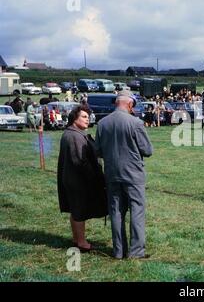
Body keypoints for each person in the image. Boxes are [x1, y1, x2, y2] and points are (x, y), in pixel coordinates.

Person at [95, 90, 153, 259]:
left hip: (112, 173)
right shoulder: (135, 123)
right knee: (137, 210)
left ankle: (119, 251)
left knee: (116, 211)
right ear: (129, 104)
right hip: (133, 174)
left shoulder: (102, 123)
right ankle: (136, 252)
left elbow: (97, 151)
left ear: (116, 103)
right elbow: (148, 150)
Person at [57, 105, 108, 252]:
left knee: (76, 210)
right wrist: (94, 178)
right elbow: (79, 161)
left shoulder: (73, 133)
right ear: (74, 118)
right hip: (77, 181)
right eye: (84, 117)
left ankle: (77, 239)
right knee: (79, 211)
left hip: (74, 180)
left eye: (88, 117)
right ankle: (81, 243)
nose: (88, 120)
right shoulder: (74, 136)